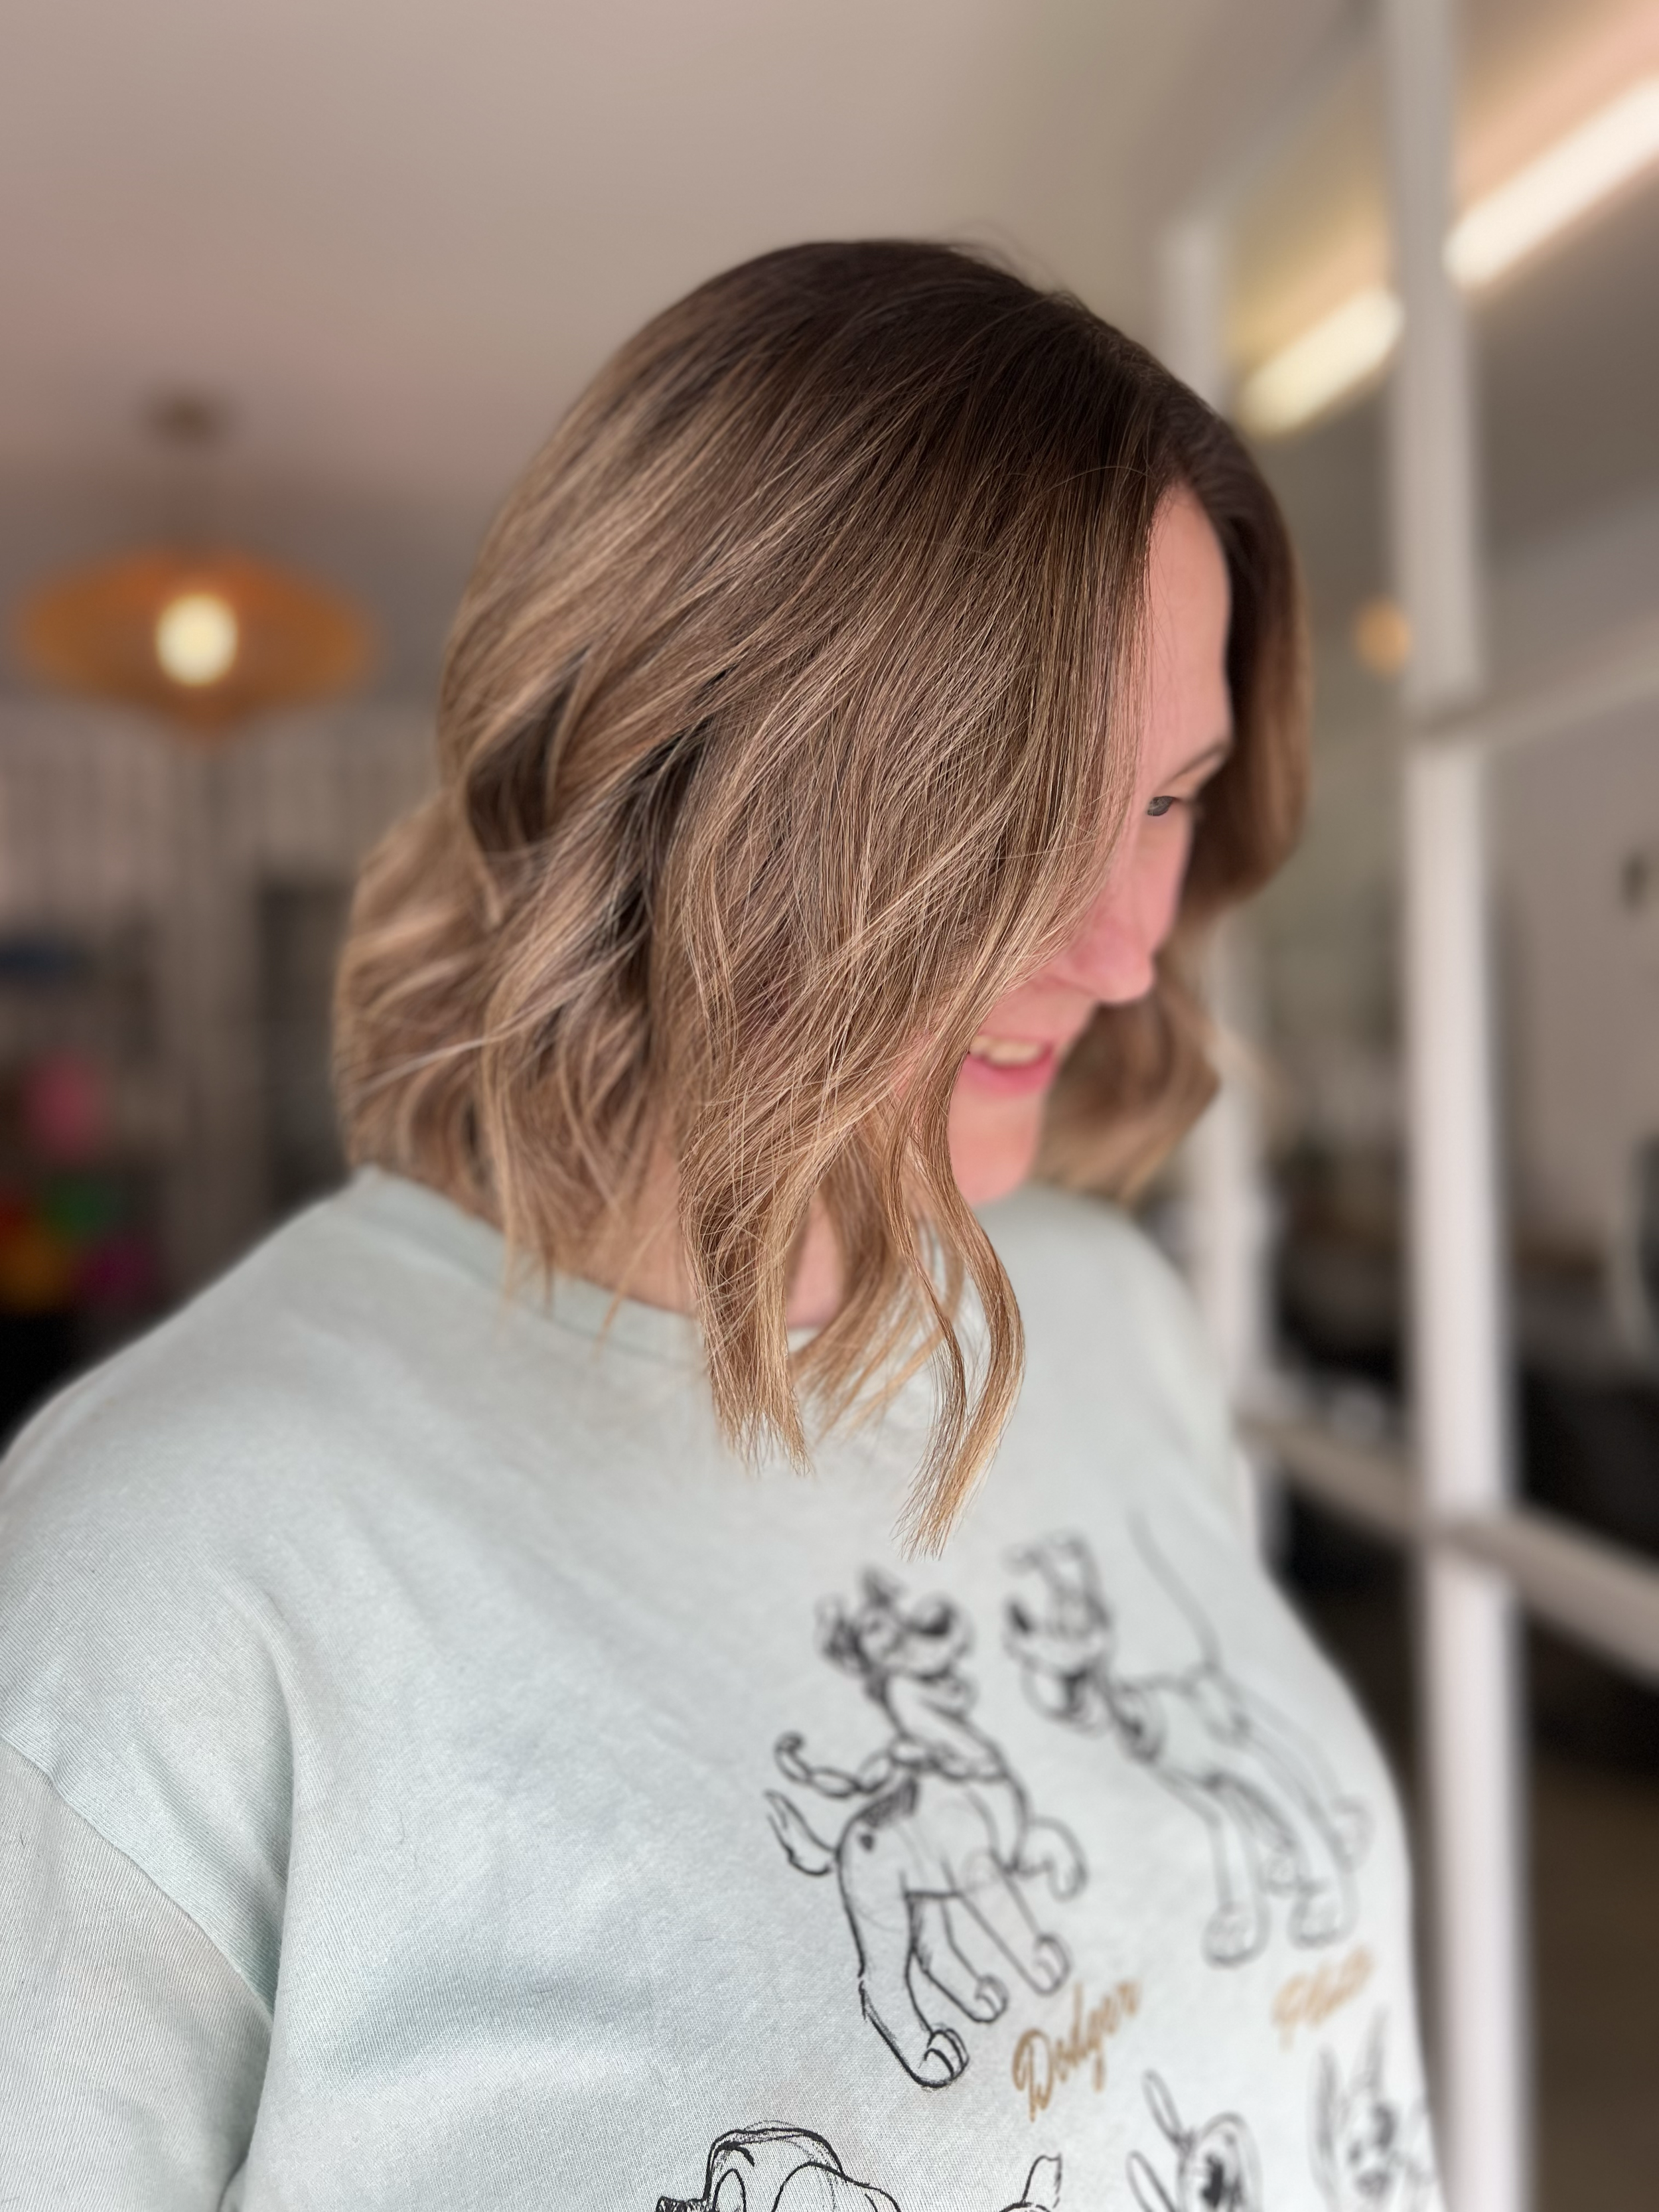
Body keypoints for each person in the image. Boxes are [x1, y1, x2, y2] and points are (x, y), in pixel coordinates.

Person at [0, 242, 1441, 2211]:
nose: (1123, 948)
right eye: (1016, 819)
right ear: (675, 768)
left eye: (1170, 798)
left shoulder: (1107, 1319)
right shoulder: (159, 1578)